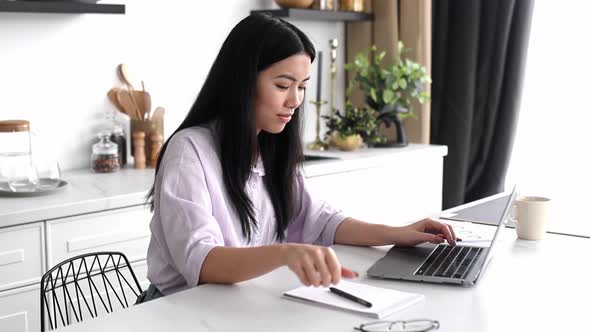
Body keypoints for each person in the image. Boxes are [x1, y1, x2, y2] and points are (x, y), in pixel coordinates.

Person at [140, 13, 457, 303]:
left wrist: (396, 234)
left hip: (235, 304)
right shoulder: (189, 152)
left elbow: (319, 221)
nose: (295, 101)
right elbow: (203, 261)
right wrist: (285, 253)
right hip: (173, 310)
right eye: (282, 85)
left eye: (302, 87)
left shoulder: (268, 147)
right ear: (241, 81)